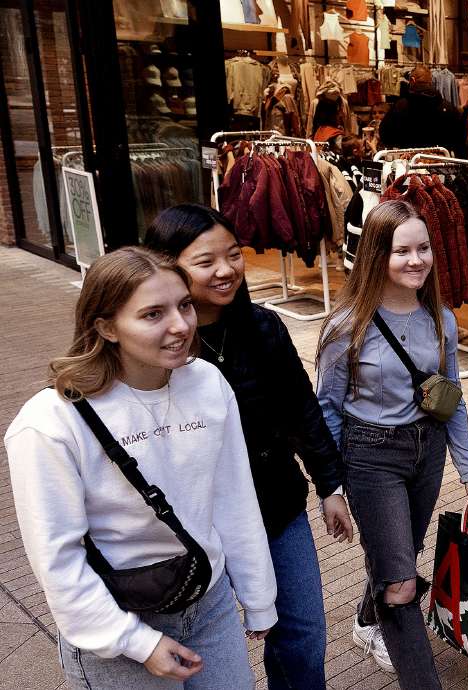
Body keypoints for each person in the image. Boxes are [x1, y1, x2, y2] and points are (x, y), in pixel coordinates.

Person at [4, 247, 277, 689]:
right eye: (152, 314)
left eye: (184, 305)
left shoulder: (207, 382)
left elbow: (232, 496)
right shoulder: (49, 423)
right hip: (116, 616)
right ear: (105, 326)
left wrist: (259, 595)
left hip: (209, 602)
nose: (180, 325)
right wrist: (135, 642)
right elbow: (58, 558)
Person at [143, 204, 353, 690]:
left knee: (303, 632)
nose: (225, 270)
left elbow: (303, 410)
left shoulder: (263, 328)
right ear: (167, 265)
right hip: (193, 526)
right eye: (205, 261)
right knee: (210, 650)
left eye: (234, 255)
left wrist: (330, 486)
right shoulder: (159, 346)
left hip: (277, 507)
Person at [316, 199, 468, 689]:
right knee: (402, 583)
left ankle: (367, 621)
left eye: (424, 248)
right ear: (376, 256)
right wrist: (329, 488)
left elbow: (451, 399)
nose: (417, 260)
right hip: (370, 456)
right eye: (401, 251)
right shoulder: (346, 326)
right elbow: (326, 408)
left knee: (401, 553)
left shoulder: (442, 319)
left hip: (427, 452)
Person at [378, 66, 465, 156]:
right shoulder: (447, 107)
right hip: (439, 162)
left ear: (412, 80)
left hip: (409, 162)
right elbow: (459, 140)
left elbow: (385, 135)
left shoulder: (400, 107)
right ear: (431, 81)